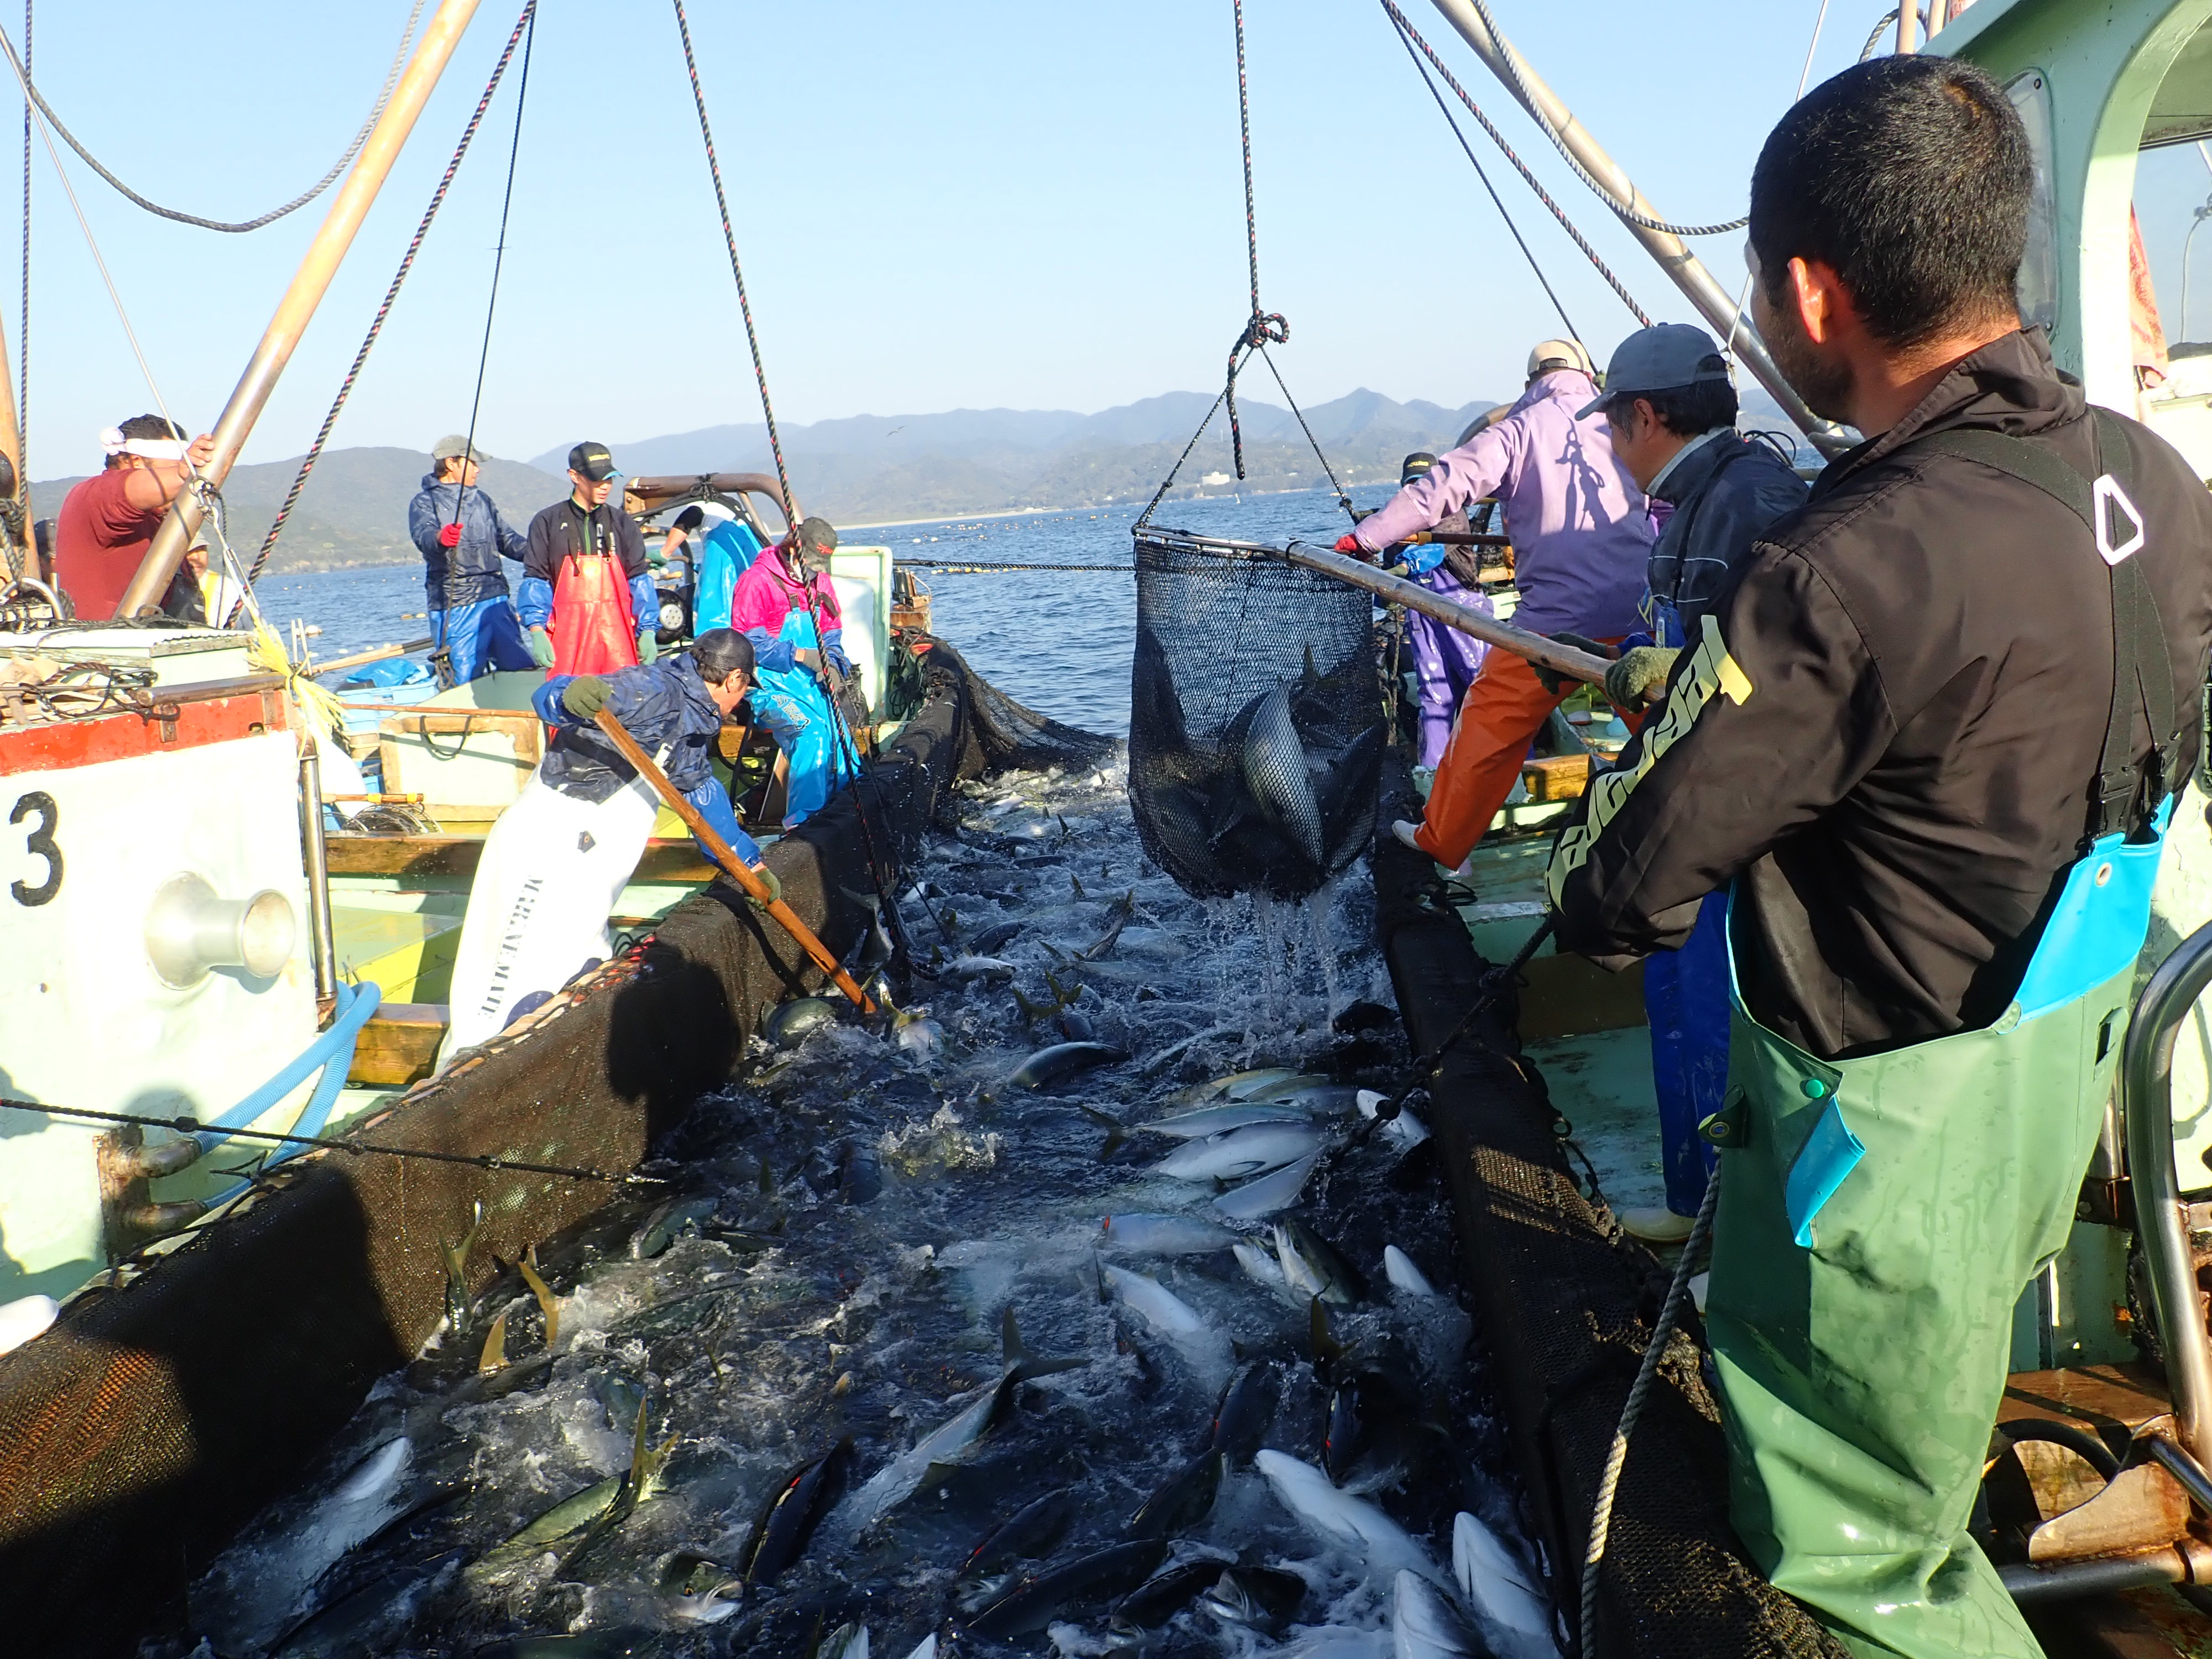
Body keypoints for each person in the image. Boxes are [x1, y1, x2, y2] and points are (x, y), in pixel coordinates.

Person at [1545, 57, 2212, 1658]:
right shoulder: (2161, 489)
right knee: (1935, 1410)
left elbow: (1627, 883)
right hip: (2055, 1086)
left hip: (1885, 1166)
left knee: (1859, 1569)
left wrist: (1652, 745)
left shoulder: (1846, 561)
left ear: (1807, 289)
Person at [1576, 322, 1810, 1245]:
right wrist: (1651, 663)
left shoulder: (1745, 504)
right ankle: (1691, 1202)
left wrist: (1670, 680)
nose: (1611, 445)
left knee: (1717, 1020)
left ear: (1645, 415)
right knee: (1671, 994)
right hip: (1692, 811)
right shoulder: (1711, 494)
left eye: (1612, 425)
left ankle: (1738, 1235)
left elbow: (1769, 685)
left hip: (1737, 825)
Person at [1339, 340, 1652, 877]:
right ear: (1586, 374)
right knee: (1667, 724)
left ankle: (1442, 840)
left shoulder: (1517, 430)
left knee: (1488, 724)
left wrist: (1363, 540)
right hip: (1637, 615)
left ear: (1531, 384)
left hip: (1550, 625)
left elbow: (1435, 491)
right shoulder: (1622, 423)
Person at [438, 628, 779, 1064]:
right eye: (746, 688)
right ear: (733, 679)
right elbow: (558, 696)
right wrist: (566, 697)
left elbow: (700, 793)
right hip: (550, 843)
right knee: (509, 982)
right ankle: (465, 1068)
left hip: (591, 862)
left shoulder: (693, 721)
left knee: (581, 965)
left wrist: (748, 862)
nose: (743, 700)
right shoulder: (654, 690)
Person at [729, 514, 856, 827]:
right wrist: (800, 654)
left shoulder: (820, 581)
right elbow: (747, 643)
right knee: (811, 733)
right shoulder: (756, 581)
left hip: (812, 683)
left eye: (819, 565)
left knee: (842, 741)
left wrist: (834, 661)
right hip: (769, 686)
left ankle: (847, 812)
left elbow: (831, 631)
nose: (813, 571)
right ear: (792, 549)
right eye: (810, 562)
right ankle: (803, 823)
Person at [1385, 451, 1494, 771]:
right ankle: (1433, 774)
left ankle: (1509, 765)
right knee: (1434, 693)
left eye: (1426, 484)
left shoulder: (1453, 514)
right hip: (1422, 615)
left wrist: (1405, 564)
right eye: (1413, 486)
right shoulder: (1396, 520)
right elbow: (1389, 561)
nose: (1420, 492)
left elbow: (1432, 552)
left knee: (1482, 685)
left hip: (1462, 608)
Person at [53, 416, 216, 620]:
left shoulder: (161, 518)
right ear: (137, 462)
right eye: (172, 466)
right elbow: (132, 489)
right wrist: (182, 475)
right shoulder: (95, 496)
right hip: (107, 647)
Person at [519, 441, 658, 677]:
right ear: (574, 476)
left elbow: (639, 580)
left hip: (618, 642)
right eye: (597, 480)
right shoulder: (546, 522)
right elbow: (536, 581)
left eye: (610, 479)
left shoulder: (623, 523)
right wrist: (537, 630)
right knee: (568, 704)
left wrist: (648, 630)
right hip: (568, 641)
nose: (605, 486)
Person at [407, 435, 535, 682]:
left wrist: (542, 553)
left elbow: (506, 539)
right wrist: (440, 538)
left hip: (496, 598)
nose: (478, 470)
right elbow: (423, 536)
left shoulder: (482, 499)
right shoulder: (424, 502)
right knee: (464, 674)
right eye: (473, 463)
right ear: (452, 463)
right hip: (456, 603)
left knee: (519, 667)